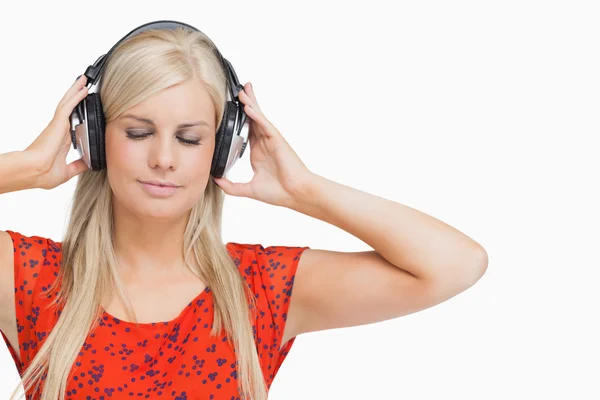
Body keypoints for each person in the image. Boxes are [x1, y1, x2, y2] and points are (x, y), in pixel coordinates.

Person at [0, 21, 488, 400]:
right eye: (138, 132)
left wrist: (306, 190)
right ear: (93, 135)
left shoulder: (260, 290)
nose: (164, 158)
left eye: (190, 138)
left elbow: (456, 265)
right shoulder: (29, 278)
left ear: (222, 148)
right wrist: (27, 167)